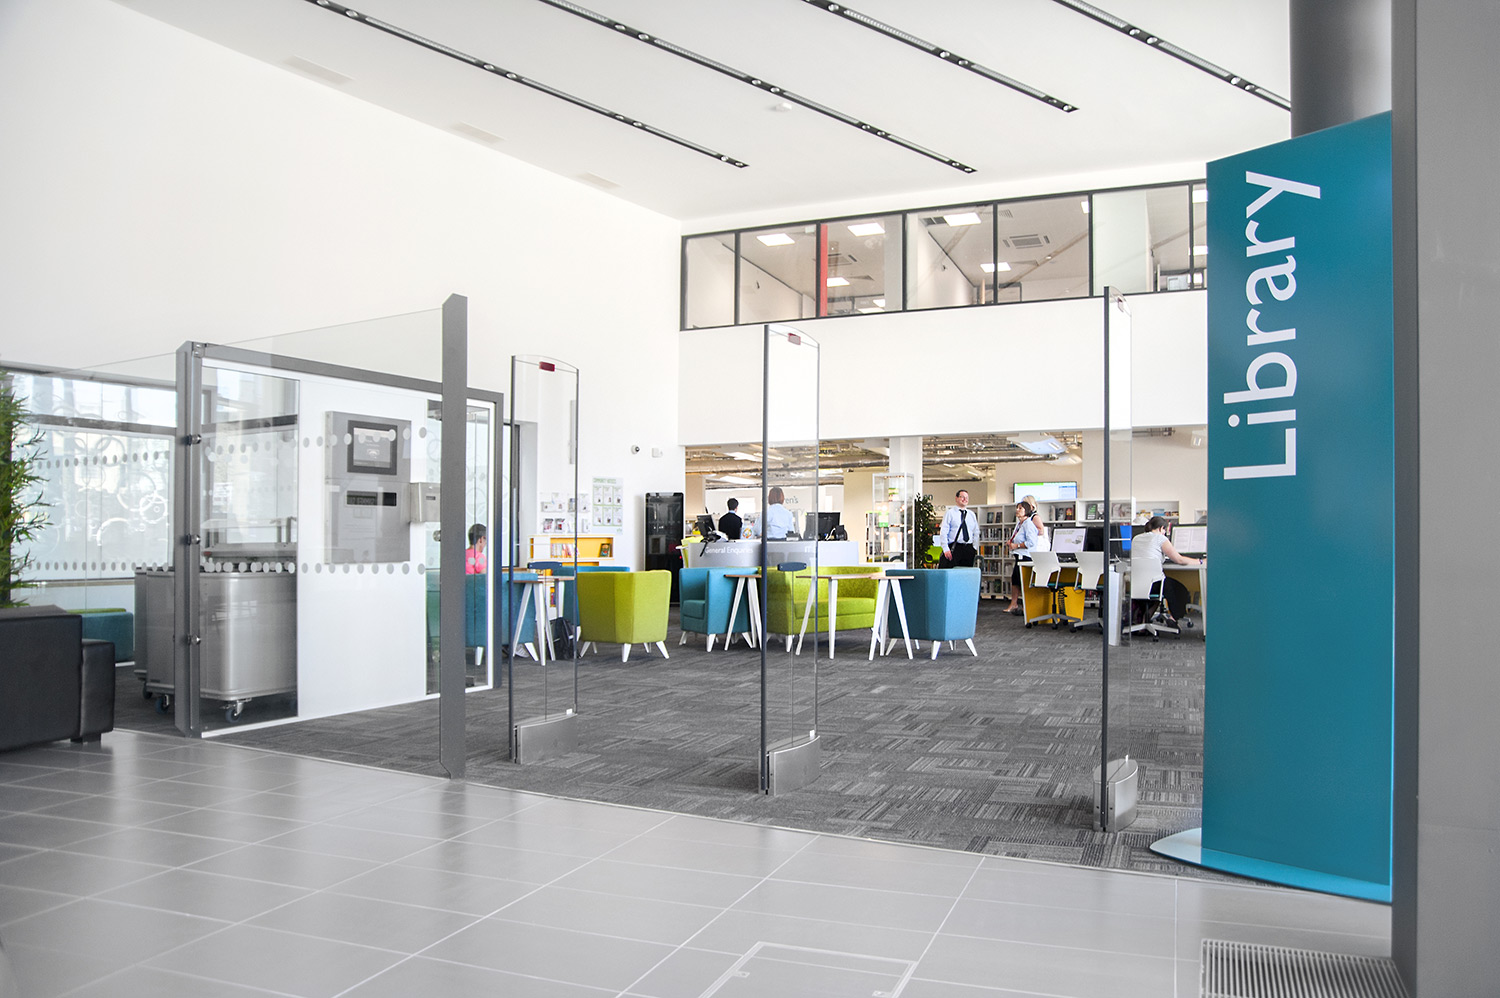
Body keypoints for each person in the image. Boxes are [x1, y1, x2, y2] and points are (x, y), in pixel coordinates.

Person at [1132, 515, 1200, 623]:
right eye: (1165, 530)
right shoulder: (1160, 538)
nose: (1165, 533)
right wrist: (1200, 561)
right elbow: (1179, 560)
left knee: (1161, 590)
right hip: (1154, 584)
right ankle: (1173, 618)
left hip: (1137, 583)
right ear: (1161, 528)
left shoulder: (1136, 538)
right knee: (1179, 589)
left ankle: (1144, 619)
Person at [1003, 500, 1044, 614]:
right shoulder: (1020, 524)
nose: (1017, 510)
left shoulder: (1028, 524)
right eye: (1017, 508)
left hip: (1026, 557)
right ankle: (1014, 604)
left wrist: (1016, 545)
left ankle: (1026, 606)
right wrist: (1011, 543)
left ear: (1027, 511)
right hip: (1019, 556)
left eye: (1020, 508)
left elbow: (1031, 542)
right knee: (1015, 580)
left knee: (1023, 581)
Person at [939, 489, 978, 568]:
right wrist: (946, 549)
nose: (965, 499)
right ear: (956, 498)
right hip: (955, 547)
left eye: (967, 497)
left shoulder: (971, 514)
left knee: (966, 572)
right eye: (962, 497)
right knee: (952, 572)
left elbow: (976, 532)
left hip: (968, 548)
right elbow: (944, 531)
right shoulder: (950, 513)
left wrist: (974, 547)